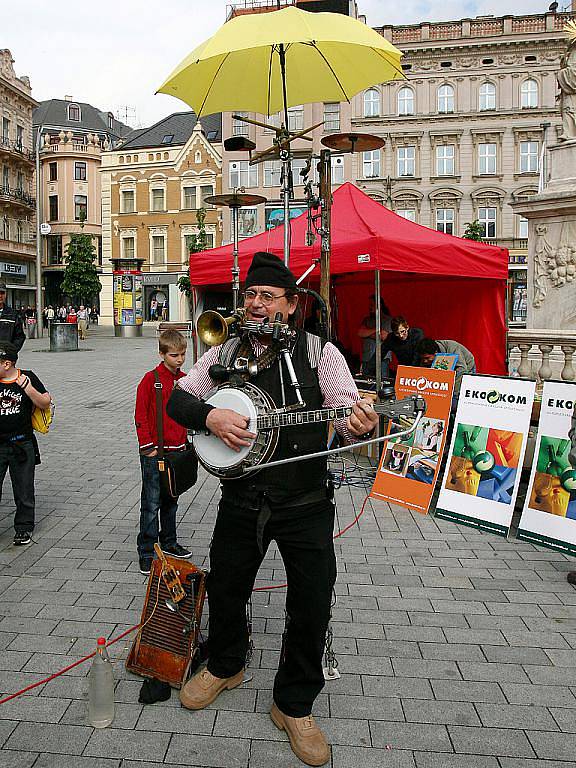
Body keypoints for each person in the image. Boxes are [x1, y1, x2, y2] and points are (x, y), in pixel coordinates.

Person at [167, 252, 378, 767]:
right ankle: (226, 663)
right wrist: (212, 415)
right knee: (227, 583)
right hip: (243, 497)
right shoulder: (225, 350)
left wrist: (357, 424)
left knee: (311, 599)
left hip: (306, 501)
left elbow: (348, 410)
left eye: (268, 297)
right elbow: (178, 401)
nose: (257, 305)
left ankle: (295, 703)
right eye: (251, 296)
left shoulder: (319, 352)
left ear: (290, 305)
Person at [134, 329, 192, 575]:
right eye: (174, 355)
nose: (179, 359)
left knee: (171, 502)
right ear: (162, 354)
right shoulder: (150, 380)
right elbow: (140, 415)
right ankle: (147, 550)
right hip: (154, 454)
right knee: (151, 504)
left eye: (182, 355)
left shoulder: (186, 380)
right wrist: (147, 446)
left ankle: (169, 542)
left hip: (177, 451)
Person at [0, 341, 51, 545]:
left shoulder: (27, 377)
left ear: (7, 364)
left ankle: (23, 527)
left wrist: (28, 389)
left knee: (23, 488)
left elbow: (45, 402)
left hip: (22, 443)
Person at [357, 294, 393, 379]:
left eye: (372, 305)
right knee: (366, 382)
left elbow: (385, 337)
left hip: (382, 359)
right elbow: (360, 332)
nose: (370, 307)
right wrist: (377, 330)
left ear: (379, 305)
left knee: (382, 382)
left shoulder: (388, 320)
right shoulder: (367, 320)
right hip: (367, 358)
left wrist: (368, 333)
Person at [0, 282, 25, 351]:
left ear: (5, 294)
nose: (0, 296)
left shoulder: (13, 315)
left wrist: (11, 352)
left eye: (2, 293)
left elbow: (19, 336)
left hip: (5, 357)